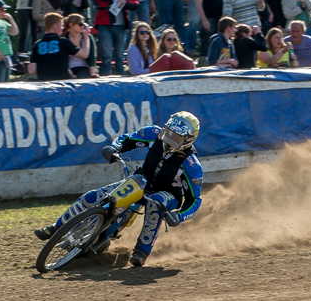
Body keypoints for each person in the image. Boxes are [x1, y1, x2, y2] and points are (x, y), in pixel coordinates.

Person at [35, 111, 203, 268]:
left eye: (176, 137)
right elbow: (128, 139)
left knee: (156, 203)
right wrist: (115, 148)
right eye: (168, 132)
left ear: (188, 140)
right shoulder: (153, 133)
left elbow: (194, 200)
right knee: (92, 197)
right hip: (141, 180)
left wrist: (179, 216)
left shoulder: (192, 166)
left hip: (167, 194)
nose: (169, 138)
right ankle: (57, 227)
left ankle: (142, 251)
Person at [90, 0, 140, 76]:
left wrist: (125, 2)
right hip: (104, 23)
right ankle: (104, 78)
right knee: (106, 56)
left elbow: (135, 2)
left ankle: (121, 77)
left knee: (119, 55)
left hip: (120, 23)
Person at [28, 12, 90, 81]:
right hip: (62, 83)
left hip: (44, 83)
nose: (63, 28)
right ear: (55, 26)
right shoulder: (63, 42)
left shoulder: (37, 44)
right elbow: (84, 54)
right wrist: (86, 37)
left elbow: (31, 70)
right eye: (61, 25)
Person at [62, 13, 97, 78]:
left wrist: (92, 73)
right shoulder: (64, 39)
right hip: (69, 69)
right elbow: (63, 60)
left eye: (83, 24)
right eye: (80, 24)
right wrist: (71, 74)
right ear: (71, 24)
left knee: (83, 75)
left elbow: (92, 57)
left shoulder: (87, 37)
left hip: (84, 67)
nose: (82, 26)